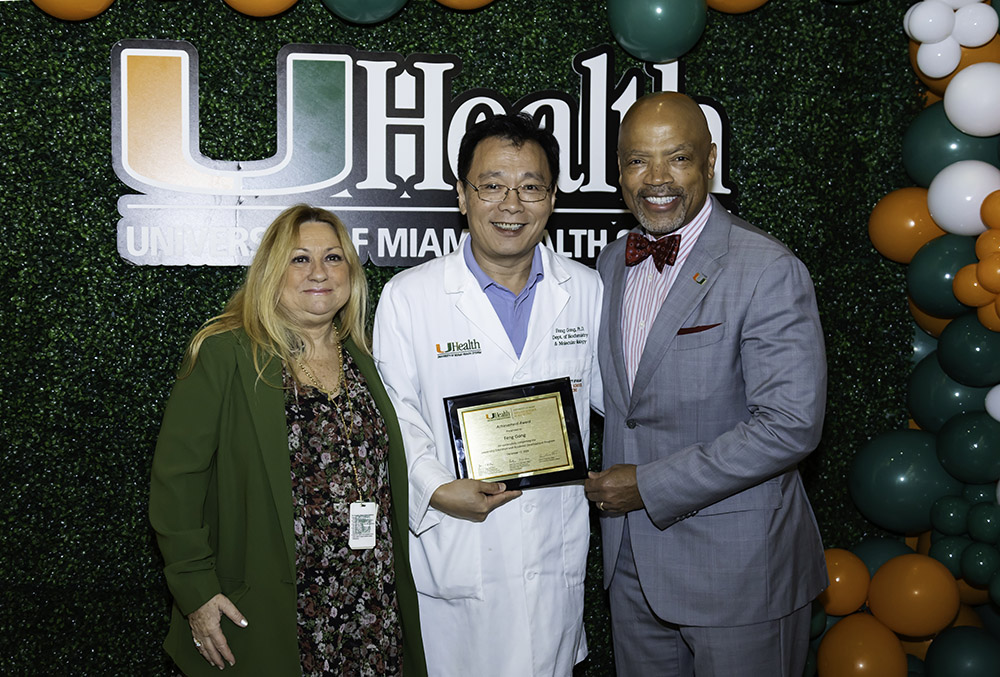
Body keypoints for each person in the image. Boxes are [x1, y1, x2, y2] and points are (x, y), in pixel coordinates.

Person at [584, 92, 828, 677]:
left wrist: (649, 485)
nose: (656, 178)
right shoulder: (610, 263)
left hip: (739, 572)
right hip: (632, 568)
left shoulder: (767, 268)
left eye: (678, 157)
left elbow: (790, 425)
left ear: (710, 161)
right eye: (638, 160)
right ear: (619, 170)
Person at [149, 205, 426, 676]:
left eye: (333, 258)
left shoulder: (365, 357)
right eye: (299, 259)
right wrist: (196, 591)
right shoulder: (224, 353)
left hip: (370, 608)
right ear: (271, 272)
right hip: (274, 611)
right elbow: (176, 482)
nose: (319, 272)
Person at [372, 113, 603, 676]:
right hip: (459, 546)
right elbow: (395, 416)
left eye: (531, 187)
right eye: (492, 185)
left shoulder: (587, 289)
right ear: (462, 195)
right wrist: (434, 489)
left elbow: (617, 405)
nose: (511, 204)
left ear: (552, 199)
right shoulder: (410, 296)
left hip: (552, 553)